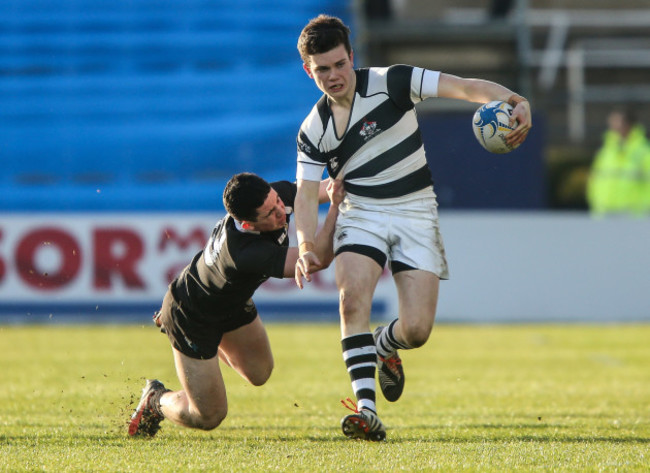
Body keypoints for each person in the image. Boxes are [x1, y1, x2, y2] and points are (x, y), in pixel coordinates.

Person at [293, 14, 532, 441]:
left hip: (415, 209)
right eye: (322, 69)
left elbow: (464, 87)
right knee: (351, 300)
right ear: (308, 70)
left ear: (352, 57)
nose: (333, 76)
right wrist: (307, 243)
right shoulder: (313, 130)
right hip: (360, 213)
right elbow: (306, 195)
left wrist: (515, 99)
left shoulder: (394, 81)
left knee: (417, 330)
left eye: (338, 64)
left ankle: (383, 347)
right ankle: (364, 408)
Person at [128, 172, 344, 437]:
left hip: (228, 301)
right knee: (209, 415)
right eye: (269, 214)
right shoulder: (243, 252)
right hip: (191, 315)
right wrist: (337, 208)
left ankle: (197, 351)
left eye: (277, 202)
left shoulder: (269, 197)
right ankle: (155, 400)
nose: (280, 211)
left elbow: (320, 189)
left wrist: (349, 185)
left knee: (259, 372)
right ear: (247, 224)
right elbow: (317, 259)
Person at [586, 107, 650, 217]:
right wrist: (595, 202)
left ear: (628, 125)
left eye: (617, 124)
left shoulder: (643, 151)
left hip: (634, 215)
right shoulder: (606, 150)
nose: (613, 128)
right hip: (604, 213)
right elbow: (595, 178)